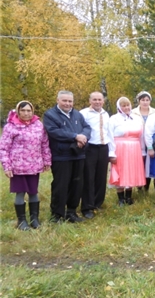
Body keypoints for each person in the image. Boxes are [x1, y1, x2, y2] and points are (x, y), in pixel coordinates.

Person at [0, 101, 51, 230]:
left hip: (34, 166)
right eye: (23, 111)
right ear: (18, 111)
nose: (26, 113)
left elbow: (44, 144)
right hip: (17, 167)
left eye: (29, 110)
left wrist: (47, 160)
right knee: (20, 193)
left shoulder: (38, 125)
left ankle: (35, 219)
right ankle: (22, 221)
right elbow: (4, 148)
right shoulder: (10, 127)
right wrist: (7, 166)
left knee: (33, 192)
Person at [43, 90, 91, 223]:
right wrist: (75, 136)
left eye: (70, 101)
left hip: (78, 154)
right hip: (61, 156)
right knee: (61, 185)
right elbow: (54, 132)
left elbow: (87, 128)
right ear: (58, 100)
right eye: (64, 100)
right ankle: (57, 214)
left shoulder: (77, 114)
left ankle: (71, 212)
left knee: (77, 184)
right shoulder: (50, 115)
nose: (67, 103)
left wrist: (84, 137)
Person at [79, 92, 114, 219]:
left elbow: (109, 133)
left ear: (103, 101)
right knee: (89, 177)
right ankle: (87, 206)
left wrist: (111, 151)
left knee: (101, 176)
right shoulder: (83, 113)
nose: (97, 102)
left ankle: (98, 202)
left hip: (103, 147)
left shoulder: (106, 114)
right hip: (90, 148)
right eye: (94, 99)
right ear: (90, 100)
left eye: (99, 99)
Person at [108, 97, 146, 206]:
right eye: (123, 106)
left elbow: (141, 136)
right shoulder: (114, 119)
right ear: (119, 107)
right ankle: (120, 198)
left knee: (131, 171)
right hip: (120, 148)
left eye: (128, 105)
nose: (126, 108)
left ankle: (129, 197)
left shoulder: (136, 119)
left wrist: (143, 151)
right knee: (121, 171)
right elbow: (110, 137)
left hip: (135, 149)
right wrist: (111, 153)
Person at [132, 91, 155, 193]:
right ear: (139, 101)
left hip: (151, 141)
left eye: (147, 100)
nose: (145, 102)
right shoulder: (133, 112)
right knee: (140, 164)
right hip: (138, 142)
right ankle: (139, 187)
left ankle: (147, 187)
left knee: (150, 164)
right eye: (143, 100)